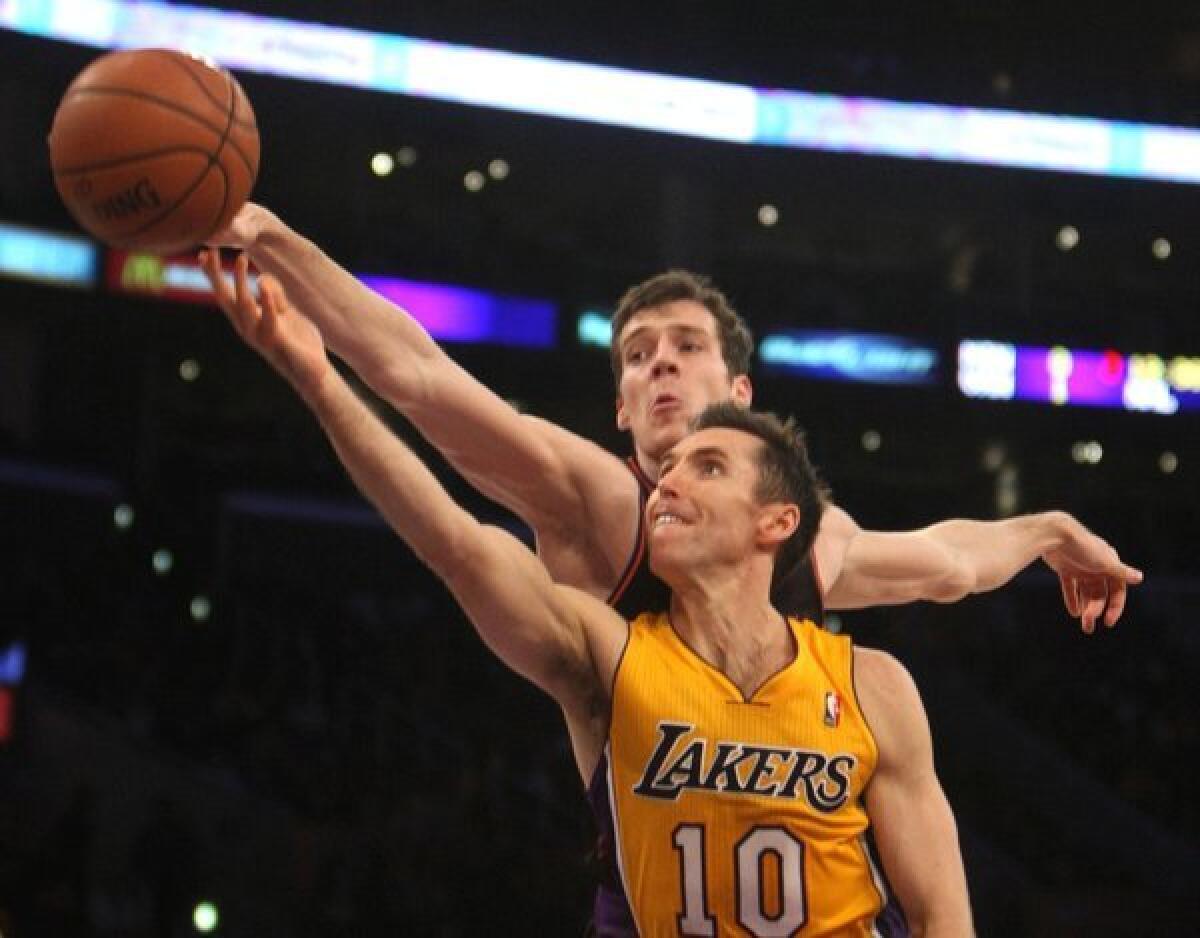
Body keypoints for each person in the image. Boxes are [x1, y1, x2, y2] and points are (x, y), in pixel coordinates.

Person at [215, 271, 974, 936]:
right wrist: (319, 384)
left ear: (777, 522)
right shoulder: (612, 656)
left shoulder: (872, 684)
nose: (670, 482)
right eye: (668, 469)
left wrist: (1048, 529)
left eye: (708, 466)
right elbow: (454, 540)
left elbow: (943, 916)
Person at [199, 206, 1141, 636]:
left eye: (685, 346)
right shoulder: (599, 497)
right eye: (639, 353)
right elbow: (419, 378)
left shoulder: (811, 535)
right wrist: (273, 239)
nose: (659, 363)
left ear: (739, 391)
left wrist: (1050, 528)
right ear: (619, 407)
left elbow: (949, 565)